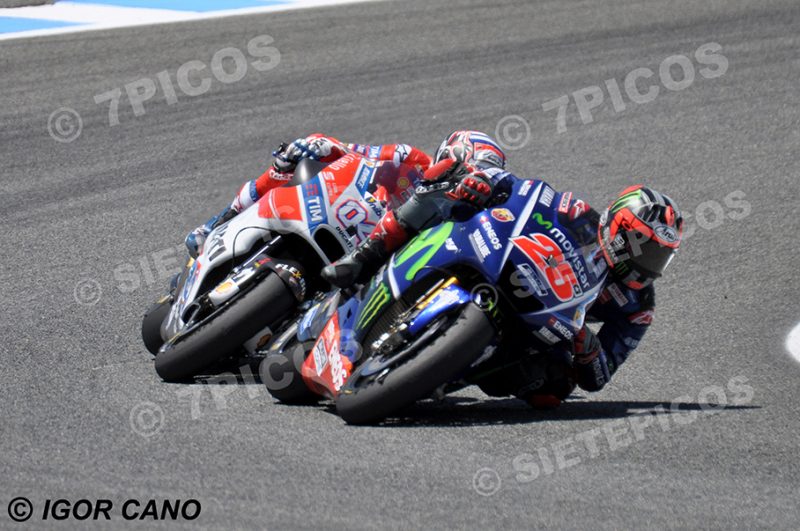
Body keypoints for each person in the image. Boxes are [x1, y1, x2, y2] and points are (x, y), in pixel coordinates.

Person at [473, 185, 684, 409]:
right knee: (470, 185)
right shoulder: (578, 215)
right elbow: (526, 191)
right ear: (618, 230)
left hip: (547, 325)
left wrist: (590, 351)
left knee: (556, 384)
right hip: (517, 270)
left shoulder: (638, 306)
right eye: (642, 246)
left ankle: (464, 368)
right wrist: (488, 185)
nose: (647, 262)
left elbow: (599, 377)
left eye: (659, 255)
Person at [184, 133, 433, 258]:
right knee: (308, 146)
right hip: (347, 206)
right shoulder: (413, 158)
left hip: (374, 248)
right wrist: (329, 147)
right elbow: (361, 153)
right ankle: (221, 221)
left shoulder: (450, 219)